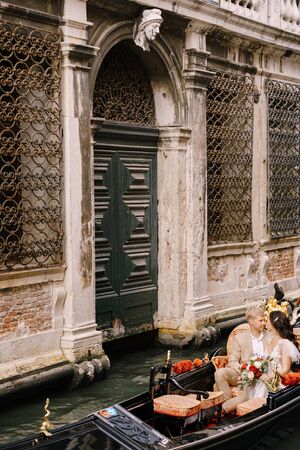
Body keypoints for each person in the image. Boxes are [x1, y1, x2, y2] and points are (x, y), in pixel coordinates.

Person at [214, 305, 268, 413]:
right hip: (243, 373)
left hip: (262, 375)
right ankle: (228, 406)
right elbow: (233, 361)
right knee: (219, 373)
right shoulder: (240, 338)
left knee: (246, 394)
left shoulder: (269, 336)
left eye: (264, 320)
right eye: (260, 320)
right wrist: (245, 370)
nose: (264, 323)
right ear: (251, 321)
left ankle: (223, 410)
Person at [251, 310, 300, 398]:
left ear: (274, 323)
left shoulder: (284, 343)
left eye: (267, 321)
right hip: (267, 378)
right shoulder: (269, 340)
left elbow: (285, 369)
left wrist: (271, 376)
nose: (265, 323)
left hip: (279, 380)